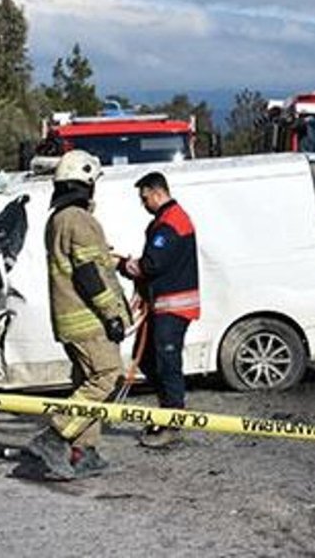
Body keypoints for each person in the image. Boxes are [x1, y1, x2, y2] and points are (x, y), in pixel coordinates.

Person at [21, 150, 132, 480]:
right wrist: (112, 314)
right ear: (86, 183)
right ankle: (54, 437)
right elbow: (87, 272)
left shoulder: (58, 219)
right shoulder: (78, 219)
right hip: (88, 319)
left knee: (86, 381)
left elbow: (85, 264)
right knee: (107, 375)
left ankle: (86, 452)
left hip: (69, 319)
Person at [119, 171, 199, 450]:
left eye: (144, 198)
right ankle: (167, 410)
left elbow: (153, 264)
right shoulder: (167, 221)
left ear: (157, 193)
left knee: (167, 362)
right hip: (162, 304)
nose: (143, 204)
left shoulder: (171, 222)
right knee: (148, 359)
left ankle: (173, 419)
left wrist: (125, 266)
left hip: (172, 306)